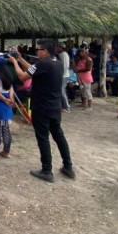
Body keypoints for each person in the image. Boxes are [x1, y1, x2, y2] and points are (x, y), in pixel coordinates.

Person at [8, 39, 74, 182]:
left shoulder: (43, 64)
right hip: (55, 107)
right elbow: (33, 69)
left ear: (45, 51)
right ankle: (68, 166)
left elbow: (22, 76)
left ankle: (46, 170)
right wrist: (19, 59)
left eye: (38, 50)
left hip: (42, 107)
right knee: (59, 136)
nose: (36, 52)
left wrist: (14, 62)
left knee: (43, 138)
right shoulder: (57, 63)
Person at [57, 43, 71, 112]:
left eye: (58, 47)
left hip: (64, 75)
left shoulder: (64, 55)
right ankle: (63, 105)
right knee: (61, 91)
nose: (57, 48)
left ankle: (67, 106)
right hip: (62, 75)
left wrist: (60, 73)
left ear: (61, 47)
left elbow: (65, 66)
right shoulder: (60, 54)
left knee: (62, 91)